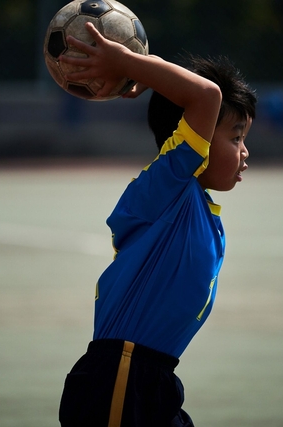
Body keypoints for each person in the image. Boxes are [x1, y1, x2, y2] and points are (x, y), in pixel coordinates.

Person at [58, 22, 257, 427]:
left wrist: (147, 77)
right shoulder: (169, 187)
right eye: (235, 135)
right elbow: (206, 95)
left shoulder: (197, 209)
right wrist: (129, 62)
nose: (244, 151)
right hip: (120, 378)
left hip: (153, 381)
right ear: (193, 135)